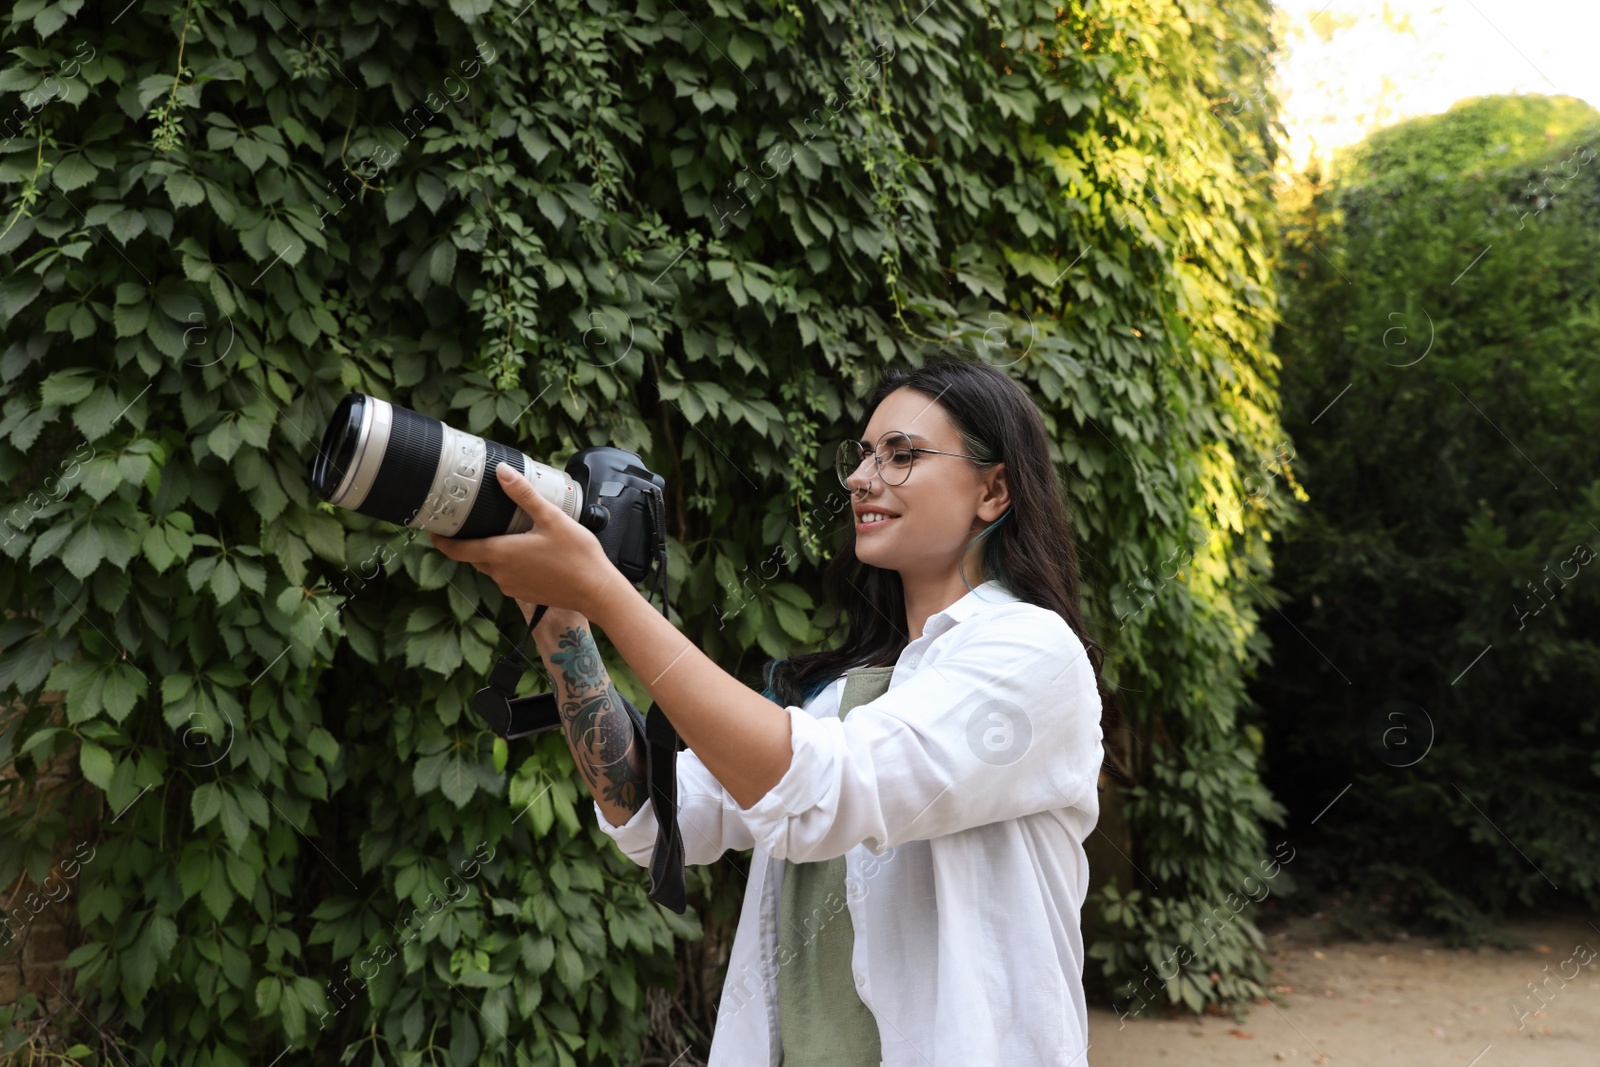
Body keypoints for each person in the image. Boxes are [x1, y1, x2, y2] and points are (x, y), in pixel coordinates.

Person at [430, 355, 1118, 1066]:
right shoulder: (835, 701)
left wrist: (609, 594)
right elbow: (657, 812)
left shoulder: (1034, 656)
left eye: (902, 454)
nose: (860, 478)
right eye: (862, 455)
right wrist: (557, 614)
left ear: (994, 489)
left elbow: (822, 790)